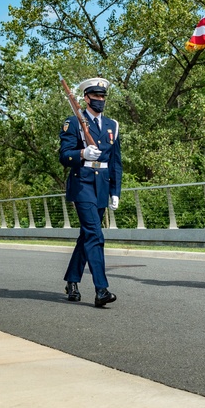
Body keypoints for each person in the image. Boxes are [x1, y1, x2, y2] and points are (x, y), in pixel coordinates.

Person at [59, 77, 123, 307]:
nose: (100, 100)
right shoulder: (74, 122)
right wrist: (82, 154)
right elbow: (64, 155)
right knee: (96, 235)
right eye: (95, 96)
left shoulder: (111, 125)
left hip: (102, 185)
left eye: (103, 96)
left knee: (87, 235)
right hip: (82, 183)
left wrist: (115, 190)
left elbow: (116, 161)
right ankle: (101, 289)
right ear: (86, 98)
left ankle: (72, 280)